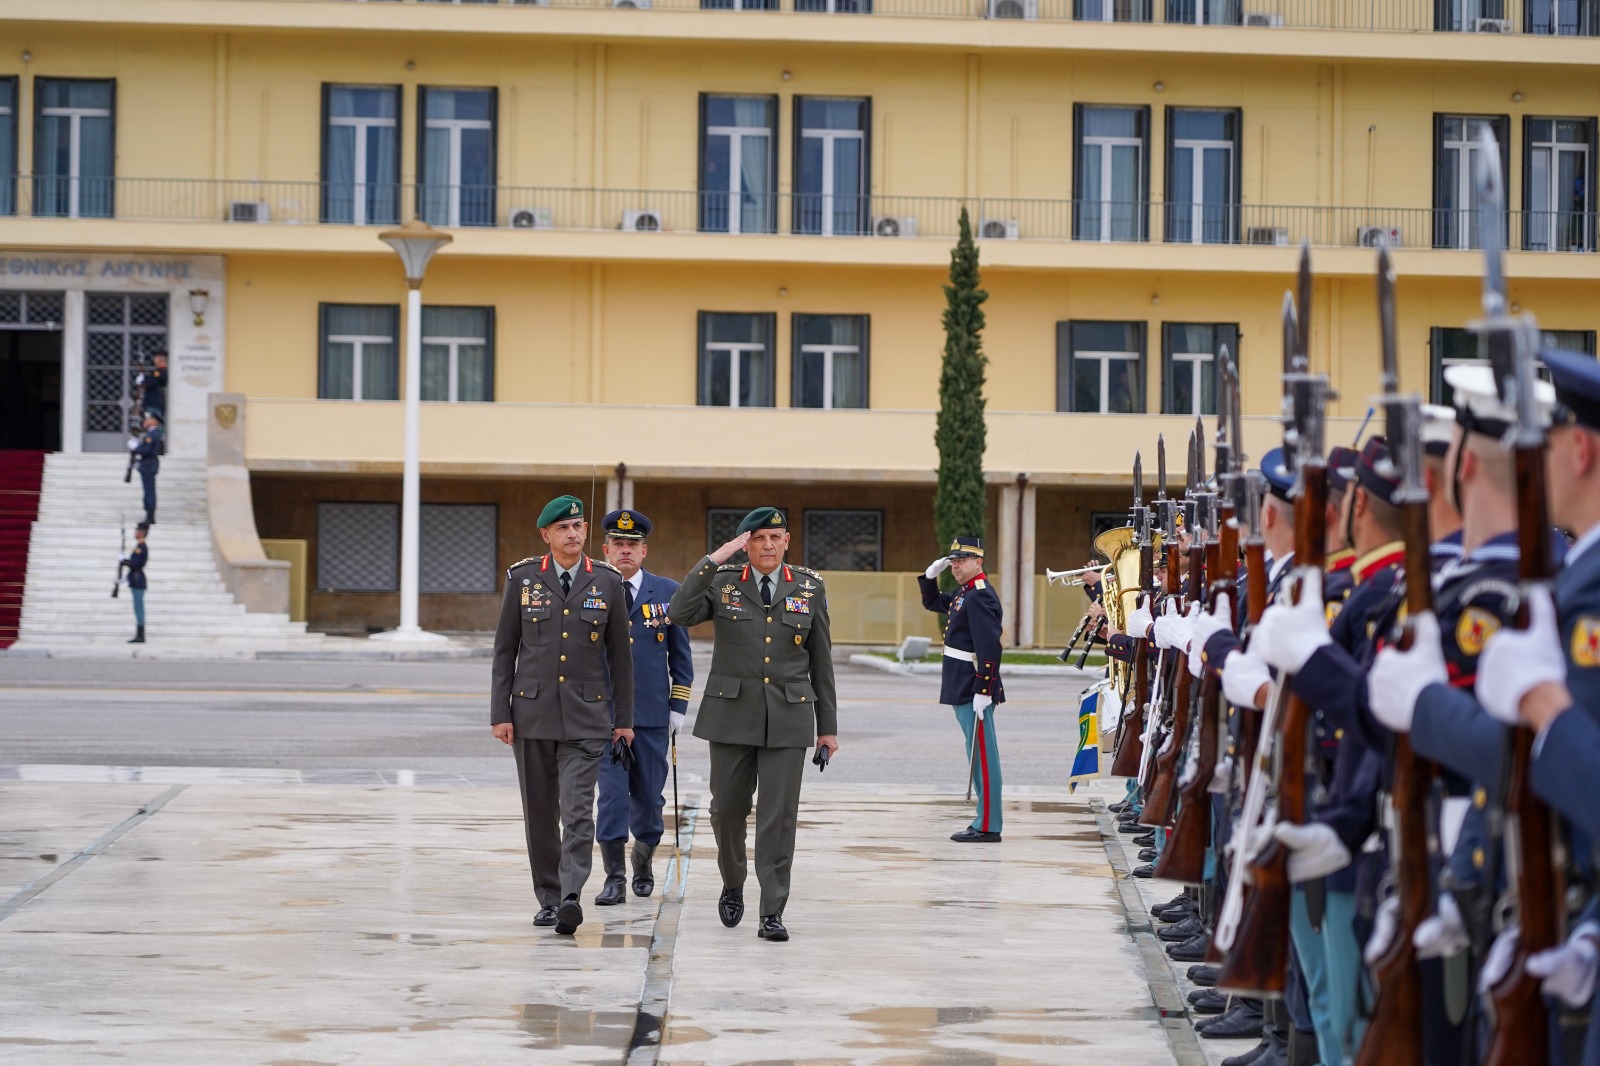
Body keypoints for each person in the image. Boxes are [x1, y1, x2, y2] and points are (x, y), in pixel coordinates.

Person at [667, 506, 838, 943]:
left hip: (788, 717)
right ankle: (733, 880)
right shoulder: (723, 583)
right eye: (757, 538)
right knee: (725, 811)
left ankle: (772, 911)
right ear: (746, 543)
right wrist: (714, 559)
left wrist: (827, 727)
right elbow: (679, 612)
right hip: (730, 716)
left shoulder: (809, 587)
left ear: (786, 542)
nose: (767, 545)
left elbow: (821, 662)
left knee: (778, 819)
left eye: (774, 537)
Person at [490, 494, 635, 936]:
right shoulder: (523, 578)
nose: (573, 534)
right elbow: (504, 651)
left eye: (578, 526)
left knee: (577, 811)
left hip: (588, 717)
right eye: (563, 528)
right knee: (539, 813)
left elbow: (620, 661)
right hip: (531, 714)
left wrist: (623, 721)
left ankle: (572, 894)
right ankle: (548, 900)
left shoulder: (608, 582)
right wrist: (501, 713)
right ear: (546, 535)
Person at [593, 508, 693, 905]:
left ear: (644, 551)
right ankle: (613, 877)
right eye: (618, 544)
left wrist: (677, 708)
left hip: (651, 716)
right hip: (604, 716)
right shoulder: (593, 588)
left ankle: (643, 861)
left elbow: (680, 658)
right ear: (605, 549)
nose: (625, 551)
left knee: (650, 799)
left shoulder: (667, 592)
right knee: (613, 797)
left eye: (632, 545)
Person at [918, 536, 1006, 843]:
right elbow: (934, 602)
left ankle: (989, 824)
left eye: (962, 561)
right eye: (953, 562)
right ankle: (984, 818)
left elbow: (989, 647)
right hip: (963, 682)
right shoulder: (966, 592)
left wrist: (984, 689)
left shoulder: (980, 595)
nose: (956, 567)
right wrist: (929, 578)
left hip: (972, 683)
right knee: (976, 751)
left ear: (978, 562)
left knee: (983, 755)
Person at [129, 413, 164, 526]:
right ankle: (149, 514)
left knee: (149, 490)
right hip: (147, 464)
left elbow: (146, 450)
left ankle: (150, 516)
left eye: (148, 419)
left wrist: (136, 448)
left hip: (148, 465)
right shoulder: (152, 433)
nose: (145, 421)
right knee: (148, 490)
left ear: (154, 421)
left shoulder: (153, 434)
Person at [121, 522, 149, 644]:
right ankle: (139, 633)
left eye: (137, 531)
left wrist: (124, 561)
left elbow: (136, 564)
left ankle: (140, 635)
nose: (135, 533)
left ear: (142, 533)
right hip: (136, 579)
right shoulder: (139, 546)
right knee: (137, 607)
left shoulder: (141, 547)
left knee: (139, 607)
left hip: (138, 580)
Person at [136, 351, 168, 424]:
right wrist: (144, 377)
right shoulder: (157, 372)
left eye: (156, 358)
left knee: (152, 424)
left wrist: (143, 382)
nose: (154, 360)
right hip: (152, 404)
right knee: (149, 423)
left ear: (159, 359)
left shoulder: (160, 372)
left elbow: (150, 384)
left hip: (153, 404)